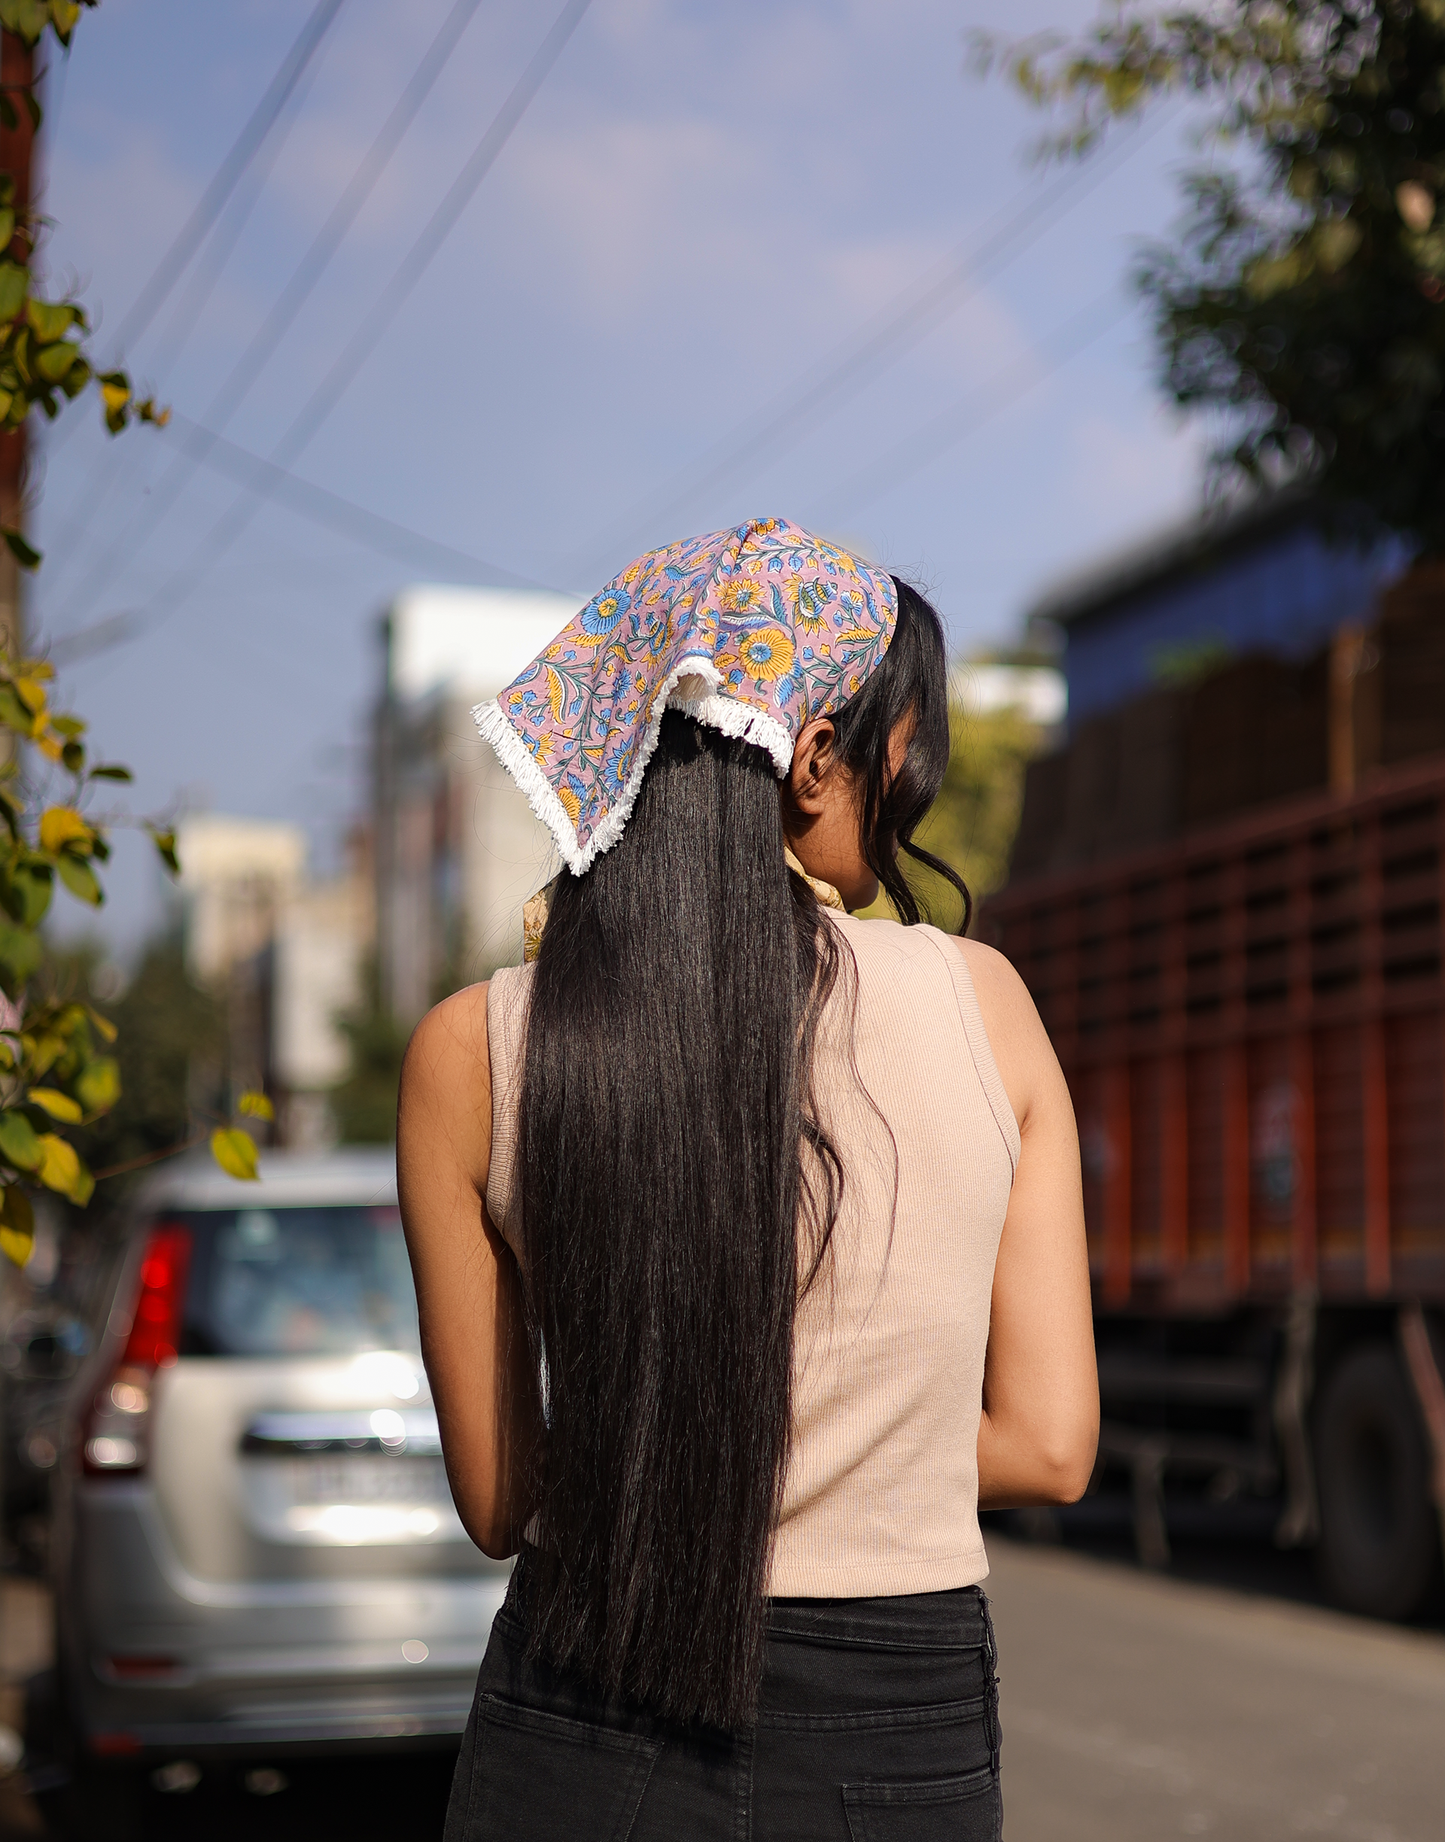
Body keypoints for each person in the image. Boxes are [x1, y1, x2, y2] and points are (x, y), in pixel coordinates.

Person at [398, 517, 1098, 1841]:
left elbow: (500, 1499)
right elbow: (1055, 1445)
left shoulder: (469, 1049)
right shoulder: (985, 1007)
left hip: (580, 1710)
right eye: (909, 744)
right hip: (891, 1721)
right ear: (818, 755)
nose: (916, 780)